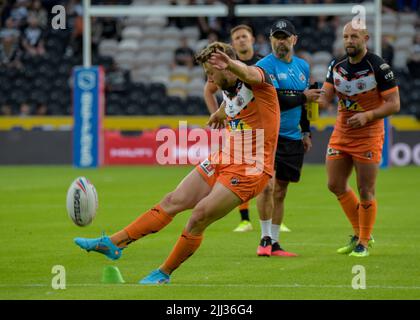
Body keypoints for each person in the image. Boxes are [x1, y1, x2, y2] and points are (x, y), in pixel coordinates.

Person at [74, 41, 280, 284]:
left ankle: (163, 273)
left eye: (211, 72)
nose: (209, 78)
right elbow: (233, 100)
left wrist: (232, 65)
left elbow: (247, 74)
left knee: (199, 216)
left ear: (226, 67)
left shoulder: (257, 77)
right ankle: (113, 244)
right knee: (173, 200)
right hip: (224, 157)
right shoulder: (229, 88)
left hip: (250, 169)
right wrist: (220, 113)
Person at [318, 22, 400, 257]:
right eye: (345, 36)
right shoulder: (336, 64)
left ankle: (363, 241)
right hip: (342, 131)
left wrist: (369, 115)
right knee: (334, 184)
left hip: (369, 133)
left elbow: (394, 104)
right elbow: (326, 97)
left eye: (354, 36)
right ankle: (360, 233)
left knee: (365, 189)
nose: (349, 41)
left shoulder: (379, 66)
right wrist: (313, 97)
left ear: (366, 38)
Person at [255, 19, 321, 257]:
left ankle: (274, 242)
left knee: (281, 190)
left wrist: (306, 131)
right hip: (267, 135)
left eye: (284, 37)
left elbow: (304, 106)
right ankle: (263, 238)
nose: (280, 42)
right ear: (270, 39)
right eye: (276, 37)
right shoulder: (263, 66)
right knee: (266, 187)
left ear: (294, 39)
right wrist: (304, 96)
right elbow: (275, 100)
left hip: (292, 137)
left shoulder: (303, 67)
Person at [203, 24, 262, 233]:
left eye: (244, 36)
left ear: (252, 39)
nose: (241, 40)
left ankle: (271, 223)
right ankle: (245, 219)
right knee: (240, 170)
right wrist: (219, 115)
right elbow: (209, 90)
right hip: (237, 127)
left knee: (265, 178)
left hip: (261, 129)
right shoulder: (225, 67)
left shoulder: (260, 65)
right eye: (237, 38)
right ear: (233, 42)